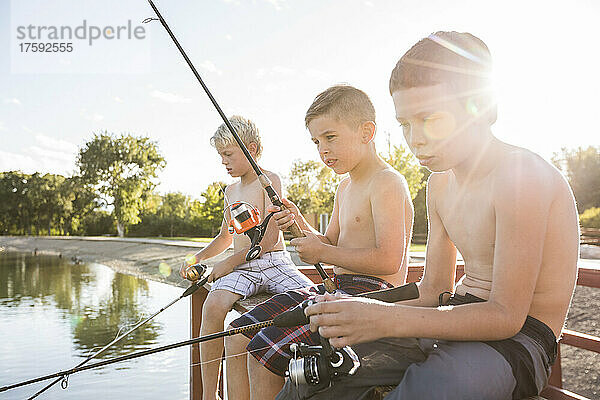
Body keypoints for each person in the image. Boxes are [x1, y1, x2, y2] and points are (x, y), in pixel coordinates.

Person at [277, 31, 580, 400]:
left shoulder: (521, 176)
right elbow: (435, 288)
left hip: (516, 343)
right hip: (448, 319)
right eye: (405, 124)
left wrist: (383, 319)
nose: (415, 139)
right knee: (310, 379)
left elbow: (506, 315)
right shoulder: (438, 185)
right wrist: (360, 309)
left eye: (430, 119)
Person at [225, 85, 414, 400]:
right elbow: (328, 242)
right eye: (316, 142)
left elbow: (389, 260)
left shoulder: (387, 183)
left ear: (366, 132)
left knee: (263, 351)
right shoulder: (345, 187)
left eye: (330, 137)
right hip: (335, 289)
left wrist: (323, 251)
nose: (322, 150)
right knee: (236, 334)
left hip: (374, 296)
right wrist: (298, 223)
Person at [179, 115, 313, 400]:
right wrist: (197, 257)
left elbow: (269, 240)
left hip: (274, 261)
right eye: (221, 156)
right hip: (246, 268)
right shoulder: (230, 191)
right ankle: (209, 394)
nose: (224, 162)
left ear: (251, 149)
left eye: (228, 154)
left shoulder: (270, 181)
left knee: (314, 297)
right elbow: (225, 237)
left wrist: (229, 262)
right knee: (213, 304)